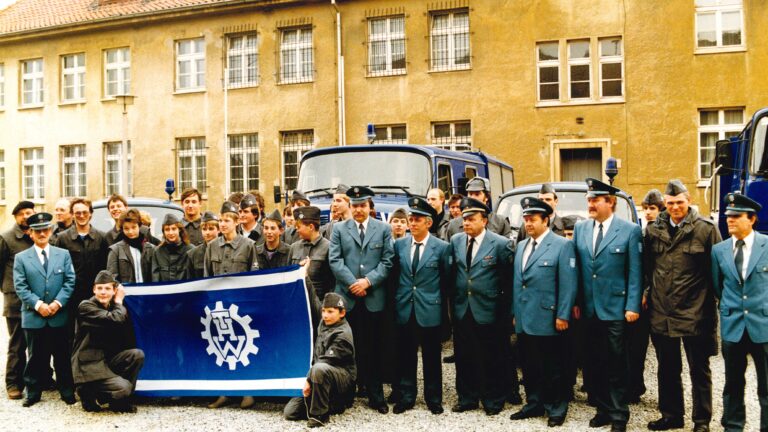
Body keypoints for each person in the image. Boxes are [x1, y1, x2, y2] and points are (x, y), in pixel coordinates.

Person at [644, 180, 721, 432]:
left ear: (688, 201)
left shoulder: (706, 230)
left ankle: (701, 421)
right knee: (667, 369)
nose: (675, 207)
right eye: (670, 203)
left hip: (695, 312)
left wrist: (713, 310)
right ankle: (671, 415)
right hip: (662, 312)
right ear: (664, 204)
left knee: (699, 369)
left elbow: (717, 273)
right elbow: (648, 269)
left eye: (679, 202)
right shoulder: (654, 229)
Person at [572, 178, 642, 432]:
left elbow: (635, 271)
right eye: (589, 200)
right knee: (594, 362)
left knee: (616, 362)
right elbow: (578, 270)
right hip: (589, 309)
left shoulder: (629, 230)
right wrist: (576, 302)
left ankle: (619, 413)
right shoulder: (581, 229)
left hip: (615, 308)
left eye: (595, 200)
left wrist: (632, 305)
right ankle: (602, 409)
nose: (590, 204)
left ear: (610, 202)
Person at [509, 197, 577, 427]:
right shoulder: (521, 246)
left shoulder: (561, 245)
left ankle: (556, 407)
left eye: (533, 220)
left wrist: (562, 314)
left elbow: (568, 284)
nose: (528, 224)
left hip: (549, 316)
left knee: (552, 366)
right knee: (530, 364)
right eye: (526, 219)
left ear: (545, 220)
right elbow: (518, 283)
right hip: (525, 315)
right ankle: (534, 402)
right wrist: (515, 312)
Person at [329, 186, 394, 414]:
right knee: (347, 348)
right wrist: (353, 284)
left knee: (374, 348)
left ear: (369, 207)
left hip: (373, 297)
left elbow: (387, 261)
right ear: (350, 206)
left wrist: (367, 282)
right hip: (348, 298)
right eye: (355, 206)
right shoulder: (338, 229)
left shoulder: (383, 229)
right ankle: (345, 394)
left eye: (362, 206)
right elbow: (335, 260)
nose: (358, 210)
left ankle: (376, 396)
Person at [449, 198, 514, 416]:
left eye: (471, 219)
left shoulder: (500, 244)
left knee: (491, 356)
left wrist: (506, 312)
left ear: (484, 221)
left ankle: (493, 398)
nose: (465, 223)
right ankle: (467, 397)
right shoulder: (456, 241)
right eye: (464, 219)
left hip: (489, 309)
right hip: (462, 307)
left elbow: (507, 279)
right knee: (464, 355)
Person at [711, 193, 767, 432]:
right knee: (733, 383)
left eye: (736, 216)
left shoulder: (766, 245)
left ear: (752, 219)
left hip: (762, 326)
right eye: (728, 216)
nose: (730, 220)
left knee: (766, 385)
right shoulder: (719, 250)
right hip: (733, 326)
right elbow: (717, 285)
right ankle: (733, 426)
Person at [391, 197, 450, 415]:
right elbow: (396, 277)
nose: (412, 223)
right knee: (406, 355)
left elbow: (445, 282)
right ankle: (407, 396)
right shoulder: (399, 245)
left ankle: (433, 398)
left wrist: (444, 314)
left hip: (430, 309)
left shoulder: (442, 248)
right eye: (410, 219)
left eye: (417, 220)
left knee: (432, 356)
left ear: (429, 223)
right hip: (405, 307)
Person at [13, 212, 76, 407]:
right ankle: (33, 392)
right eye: (37, 231)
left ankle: (66, 390)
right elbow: (20, 286)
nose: (42, 234)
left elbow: (70, 281)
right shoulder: (21, 258)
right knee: (35, 357)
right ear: (30, 233)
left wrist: (57, 303)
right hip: (34, 315)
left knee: (62, 355)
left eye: (45, 230)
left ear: (51, 231)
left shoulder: (62, 254)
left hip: (59, 314)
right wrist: (39, 305)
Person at [204, 201, 258, 409]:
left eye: (227, 220)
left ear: (236, 222)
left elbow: (254, 277)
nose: (223, 224)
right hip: (218, 305)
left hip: (240, 306)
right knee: (221, 348)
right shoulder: (212, 247)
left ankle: (247, 392)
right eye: (221, 220)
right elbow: (207, 276)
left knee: (243, 347)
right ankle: (224, 392)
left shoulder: (248, 246)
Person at [71, 270, 144, 413]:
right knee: (124, 388)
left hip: (106, 360)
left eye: (107, 288)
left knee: (136, 355)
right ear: (94, 290)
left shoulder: (113, 308)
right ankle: (87, 391)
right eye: (99, 288)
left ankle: (117, 402)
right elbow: (115, 319)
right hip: (88, 365)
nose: (103, 292)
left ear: (114, 290)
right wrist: (118, 301)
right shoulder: (85, 306)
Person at [284, 293, 356, 428]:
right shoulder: (325, 322)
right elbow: (313, 299)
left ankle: (320, 415)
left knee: (319, 369)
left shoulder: (343, 334)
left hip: (341, 378)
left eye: (330, 311)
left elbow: (327, 361)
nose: (325, 315)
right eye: (323, 311)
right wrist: (305, 277)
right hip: (320, 375)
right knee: (290, 413)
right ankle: (330, 403)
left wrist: (308, 379)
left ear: (342, 313)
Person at [626, 189, 665, 404]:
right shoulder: (641, 233)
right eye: (646, 208)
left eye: (653, 208)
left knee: (663, 353)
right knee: (636, 349)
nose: (649, 213)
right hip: (642, 299)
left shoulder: (662, 234)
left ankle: (665, 396)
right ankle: (634, 387)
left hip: (657, 300)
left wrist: (648, 291)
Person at [52, 198, 109, 335]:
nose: (81, 216)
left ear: (90, 214)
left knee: (95, 332)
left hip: (95, 296)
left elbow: (105, 268)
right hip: (71, 295)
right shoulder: (62, 238)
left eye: (85, 212)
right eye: (77, 213)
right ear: (72, 214)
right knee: (70, 334)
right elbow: (56, 268)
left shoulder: (102, 237)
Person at [0, 201, 36, 400]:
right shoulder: (7, 238)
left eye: (29, 213)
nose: (25, 216)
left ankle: (40, 379)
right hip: (15, 301)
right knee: (17, 344)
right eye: (21, 213)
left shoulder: (38, 236)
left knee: (38, 343)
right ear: (15, 217)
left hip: (37, 299)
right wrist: (8, 290)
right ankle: (13, 383)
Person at [290, 206, 334, 303]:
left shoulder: (328, 247)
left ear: (311, 227)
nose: (297, 230)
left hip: (319, 304)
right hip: (298, 302)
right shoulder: (294, 247)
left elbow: (332, 283)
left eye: (299, 227)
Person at [443, 177, 511, 240]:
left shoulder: (500, 222)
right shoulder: (454, 225)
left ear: (486, 197)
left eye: (477, 194)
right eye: (470, 194)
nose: (473, 198)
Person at [106, 209, 154, 284]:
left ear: (139, 226)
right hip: (126, 294)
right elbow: (112, 278)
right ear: (122, 229)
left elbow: (156, 276)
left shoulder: (151, 249)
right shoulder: (115, 250)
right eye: (126, 228)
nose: (130, 231)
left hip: (148, 293)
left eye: (133, 227)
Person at [150, 214, 193, 282]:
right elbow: (155, 278)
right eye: (167, 229)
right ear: (163, 232)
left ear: (179, 229)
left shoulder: (190, 250)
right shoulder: (157, 252)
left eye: (173, 229)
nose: (171, 232)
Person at [186, 211, 220, 280]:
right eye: (204, 229)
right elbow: (190, 281)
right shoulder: (192, 254)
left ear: (218, 230)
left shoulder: (226, 250)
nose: (207, 232)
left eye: (211, 229)